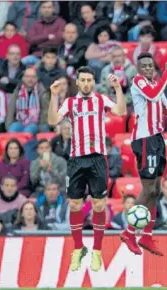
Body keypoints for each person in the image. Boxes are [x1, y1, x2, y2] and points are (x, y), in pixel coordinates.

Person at [48, 66, 126, 272]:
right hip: (76, 159)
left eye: (89, 80)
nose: (85, 84)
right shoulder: (70, 102)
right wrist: (53, 96)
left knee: (99, 205)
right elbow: (52, 121)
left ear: (93, 82)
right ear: (78, 82)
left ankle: (97, 250)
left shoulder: (101, 99)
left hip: (98, 159)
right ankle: (78, 248)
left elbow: (121, 111)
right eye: (82, 80)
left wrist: (118, 89)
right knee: (74, 205)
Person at [120, 53, 167, 256]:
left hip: (157, 138)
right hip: (145, 139)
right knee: (148, 187)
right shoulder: (139, 81)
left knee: (155, 190)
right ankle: (129, 232)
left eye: (151, 66)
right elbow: (152, 95)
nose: (149, 69)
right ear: (138, 68)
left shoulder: (155, 86)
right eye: (145, 66)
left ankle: (147, 236)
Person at [6, 67, 47, 134]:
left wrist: (41, 127)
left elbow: (44, 111)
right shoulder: (18, 90)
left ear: (37, 79)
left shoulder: (41, 91)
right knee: (12, 129)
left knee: (27, 131)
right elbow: (11, 109)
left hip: (36, 124)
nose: (30, 79)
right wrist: (9, 125)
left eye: (33, 77)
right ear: (23, 78)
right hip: (20, 121)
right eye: (27, 76)